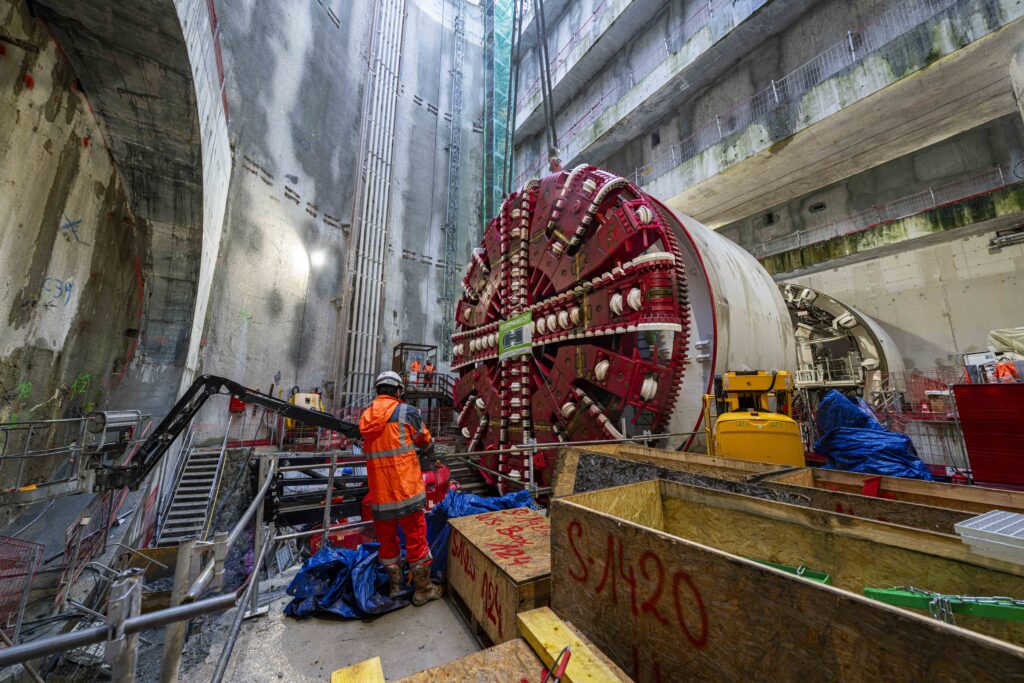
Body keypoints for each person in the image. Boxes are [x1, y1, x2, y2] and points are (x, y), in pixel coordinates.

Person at [358, 371, 443, 606]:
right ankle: (423, 589)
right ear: (398, 391)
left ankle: (395, 587)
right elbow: (425, 440)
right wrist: (429, 455)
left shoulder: (365, 417)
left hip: (380, 495)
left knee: (388, 543)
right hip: (407, 492)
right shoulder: (408, 412)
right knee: (416, 540)